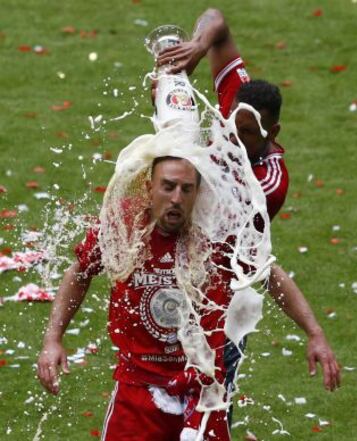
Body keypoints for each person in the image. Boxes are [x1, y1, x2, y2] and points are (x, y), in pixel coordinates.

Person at [157, 7, 340, 394]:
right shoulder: (239, 104)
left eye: (245, 134)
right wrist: (196, 47)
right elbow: (215, 19)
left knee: (209, 411)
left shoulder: (267, 184)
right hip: (177, 278)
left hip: (220, 303)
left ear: (272, 131)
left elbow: (256, 264)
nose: (232, 138)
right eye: (229, 127)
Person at [37, 155, 236, 441]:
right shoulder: (123, 226)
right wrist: (52, 339)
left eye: (186, 189)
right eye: (168, 187)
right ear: (148, 188)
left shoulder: (217, 235)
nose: (177, 198)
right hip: (138, 391)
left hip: (202, 393)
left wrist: (315, 333)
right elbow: (81, 272)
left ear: (197, 193)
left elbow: (270, 272)